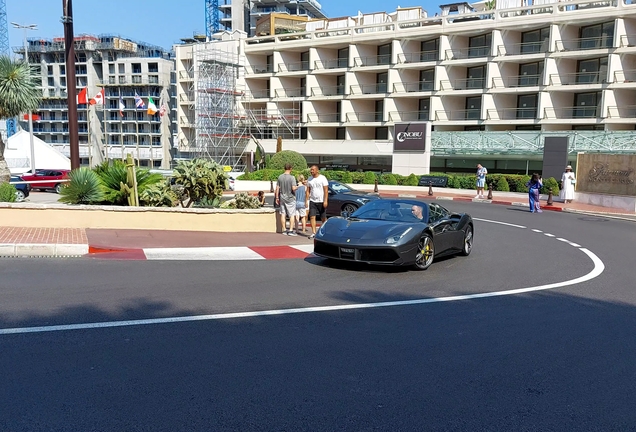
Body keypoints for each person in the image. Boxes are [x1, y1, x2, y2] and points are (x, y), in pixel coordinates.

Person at [306, 165, 329, 240]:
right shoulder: (310, 179)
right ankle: (314, 233)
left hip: (321, 201)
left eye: (313, 170)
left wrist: (325, 200)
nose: (311, 171)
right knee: (312, 216)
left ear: (317, 170)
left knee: (323, 218)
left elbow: (326, 190)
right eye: (311, 170)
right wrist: (306, 200)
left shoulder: (322, 178)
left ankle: (325, 231)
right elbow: (308, 190)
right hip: (313, 200)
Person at [275, 163, 298, 235]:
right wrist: (299, 186)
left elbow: (277, 188)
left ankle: (284, 230)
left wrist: (276, 197)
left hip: (282, 197)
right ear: (290, 168)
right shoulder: (292, 177)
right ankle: (291, 230)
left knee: (283, 214)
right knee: (292, 214)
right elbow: (293, 188)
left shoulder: (280, 177)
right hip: (290, 198)